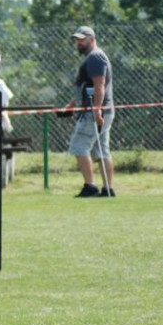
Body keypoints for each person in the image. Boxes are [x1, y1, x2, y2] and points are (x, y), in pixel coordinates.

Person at [64, 25, 115, 198]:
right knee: (101, 151)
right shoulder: (93, 57)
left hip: (94, 111)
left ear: (91, 39)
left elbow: (99, 84)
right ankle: (108, 189)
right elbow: (87, 86)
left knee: (79, 146)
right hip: (98, 109)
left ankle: (90, 186)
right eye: (77, 40)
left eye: (82, 40)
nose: (78, 43)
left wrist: (97, 110)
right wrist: (73, 103)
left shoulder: (94, 57)